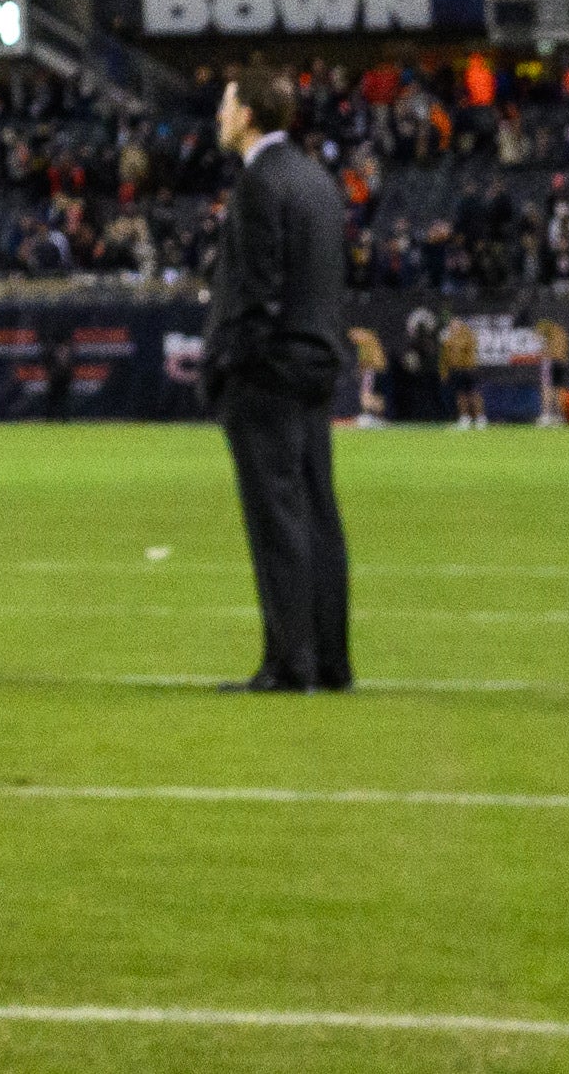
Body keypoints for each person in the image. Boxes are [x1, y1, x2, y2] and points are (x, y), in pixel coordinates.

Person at [202, 72, 351, 691]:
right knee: (316, 515)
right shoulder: (314, 176)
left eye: (228, 103)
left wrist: (232, 363)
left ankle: (290, 662)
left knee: (278, 521)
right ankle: (328, 659)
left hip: (271, 372)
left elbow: (258, 292)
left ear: (251, 115)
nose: (220, 114)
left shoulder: (261, 181)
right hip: (314, 364)